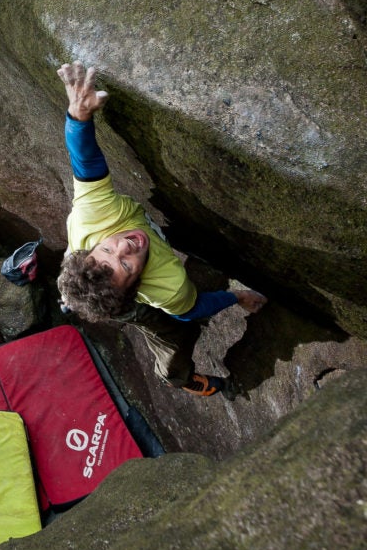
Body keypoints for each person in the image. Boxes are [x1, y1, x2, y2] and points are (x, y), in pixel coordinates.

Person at [56, 61, 267, 398]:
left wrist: (78, 117)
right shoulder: (166, 289)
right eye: (126, 265)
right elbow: (192, 309)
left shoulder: (92, 221)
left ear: (92, 248)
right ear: (137, 284)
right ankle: (180, 380)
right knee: (173, 342)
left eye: (107, 249)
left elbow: (87, 165)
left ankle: (71, 296)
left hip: (81, 276)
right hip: (124, 303)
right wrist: (236, 297)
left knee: (80, 287)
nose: (124, 246)